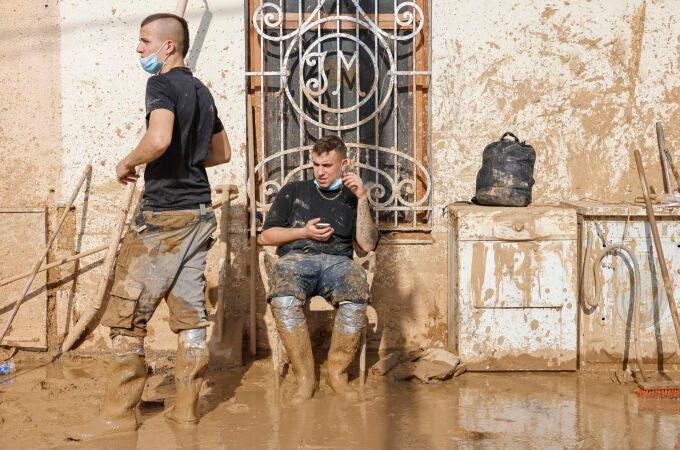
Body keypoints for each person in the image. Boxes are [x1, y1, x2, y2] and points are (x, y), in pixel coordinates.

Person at [67, 13, 231, 440]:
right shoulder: (202, 91)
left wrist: (128, 161)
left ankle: (118, 418)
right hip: (198, 213)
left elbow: (158, 139)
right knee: (190, 314)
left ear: (168, 46)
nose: (138, 50)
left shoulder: (160, 84)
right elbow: (222, 152)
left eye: (144, 41)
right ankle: (186, 413)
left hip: (164, 215)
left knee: (125, 316)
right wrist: (186, 161)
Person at [257, 135, 379, 404]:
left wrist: (361, 198)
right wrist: (304, 232)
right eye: (315, 165)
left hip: (339, 263)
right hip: (296, 260)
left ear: (343, 164)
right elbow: (264, 238)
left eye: (327, 165)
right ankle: (305, 378)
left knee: (357, 294)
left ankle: (337, 373)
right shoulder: (293, 191)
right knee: (284, 299)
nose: (320, 172)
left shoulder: (352, 196)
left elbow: (368, 245)